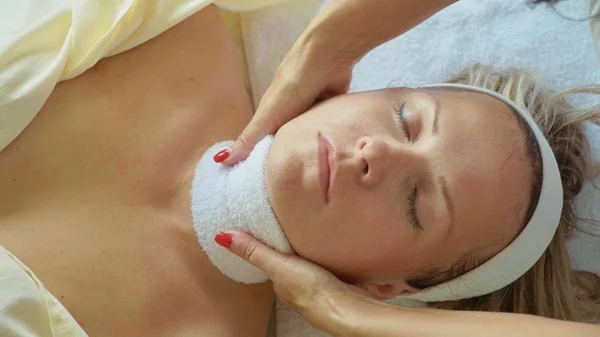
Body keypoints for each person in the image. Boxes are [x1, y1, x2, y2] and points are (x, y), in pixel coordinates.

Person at [0, 2, 598, 337]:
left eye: (419, 204)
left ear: (387, 289)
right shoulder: (176, 22)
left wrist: (355, 319)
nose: (377, 155)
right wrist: (327, 42)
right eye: (405, 119)